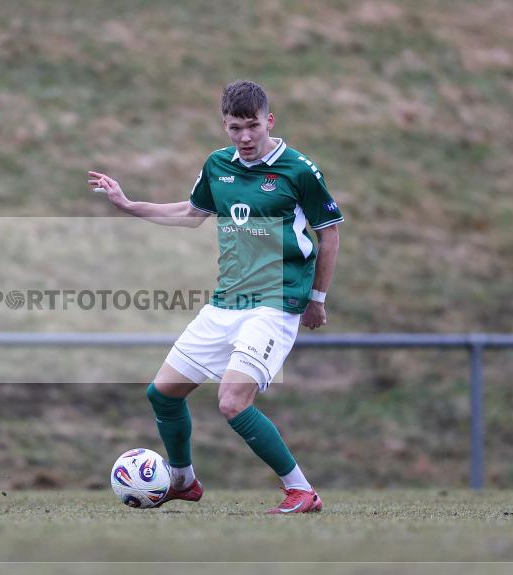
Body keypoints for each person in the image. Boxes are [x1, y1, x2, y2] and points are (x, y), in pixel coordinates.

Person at [88, 80, 342, 514]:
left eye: (252, 127)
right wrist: (130, 206)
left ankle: (301, 490)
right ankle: (183, 481)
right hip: (226, 302)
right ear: (224, 125)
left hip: (276, 304)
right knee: (162, 393)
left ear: (270, 121)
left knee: (232, 401)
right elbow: (190, 213)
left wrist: (317, 298)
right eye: (234, 127)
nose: (244, 137)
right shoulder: (218, 166)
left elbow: (329, 233)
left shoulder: (299, 171)